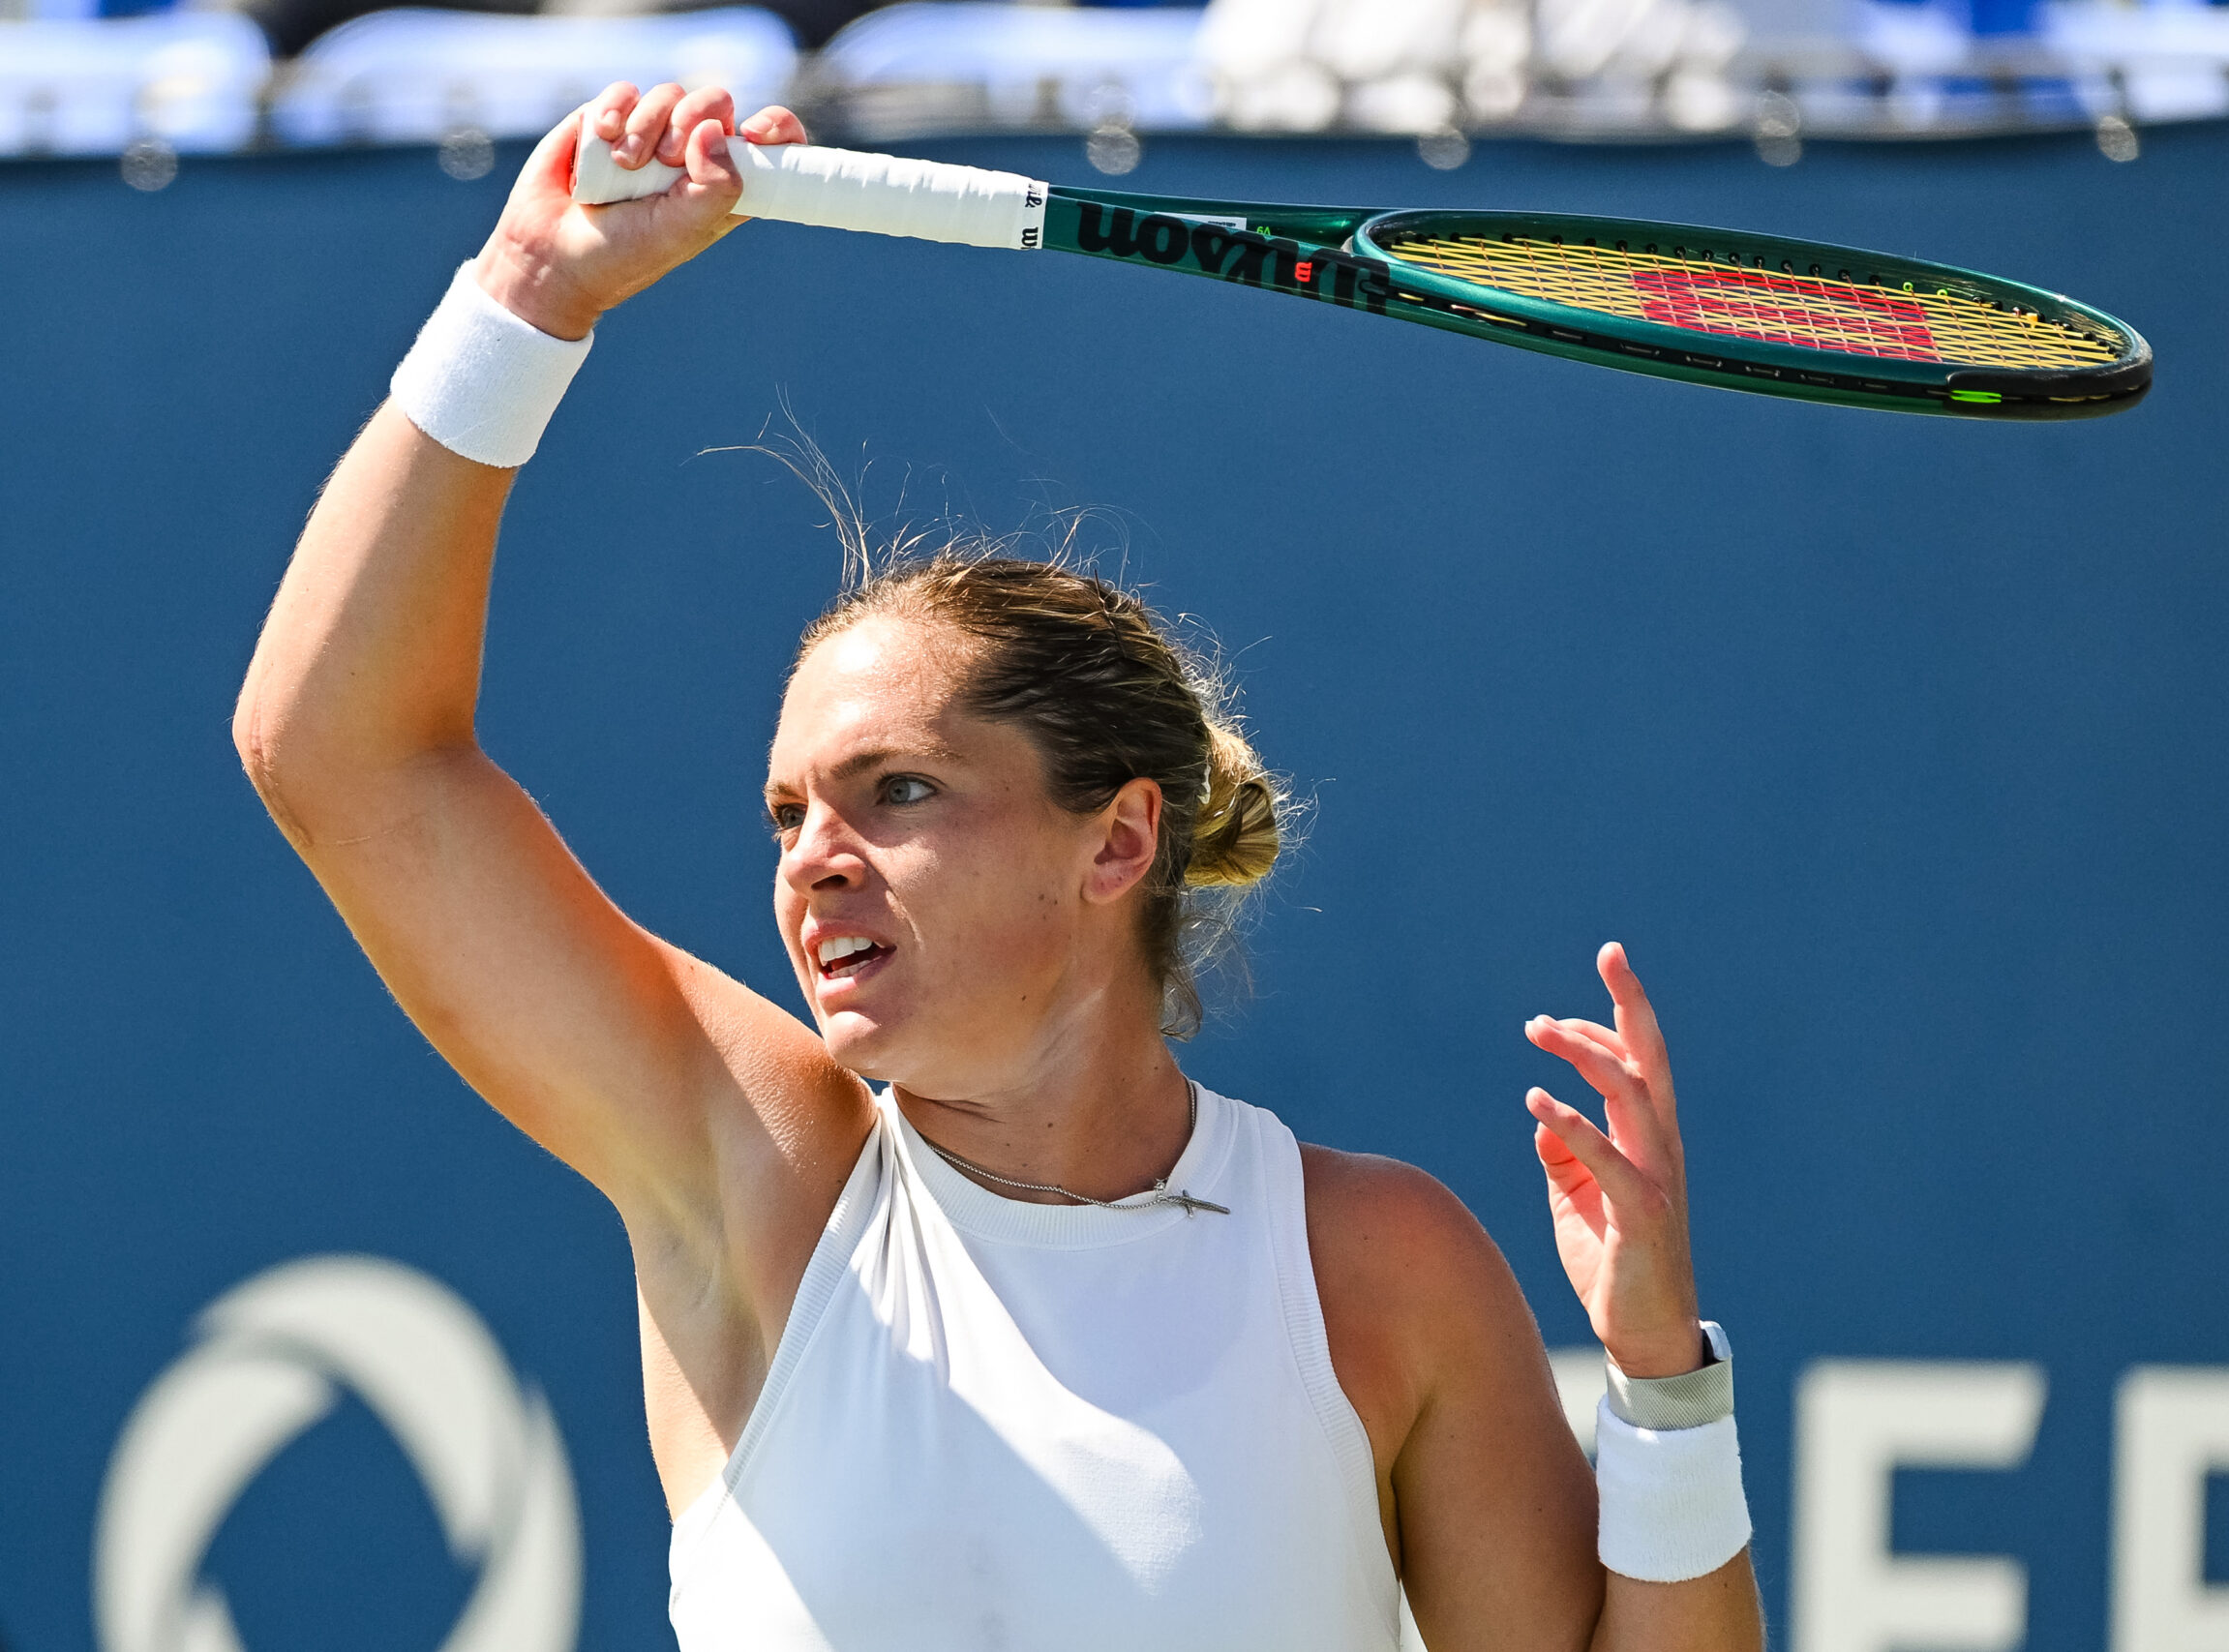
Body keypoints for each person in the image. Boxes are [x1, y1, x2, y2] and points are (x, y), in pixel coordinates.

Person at [232, 79, 1766, 1652]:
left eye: (894, 791)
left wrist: (1660, 1385)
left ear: (1118, 839)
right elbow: (340, 759)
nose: (815, 862)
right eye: (786, 815)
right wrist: (526, 298)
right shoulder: (759, 1176)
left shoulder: (1381, 1266)